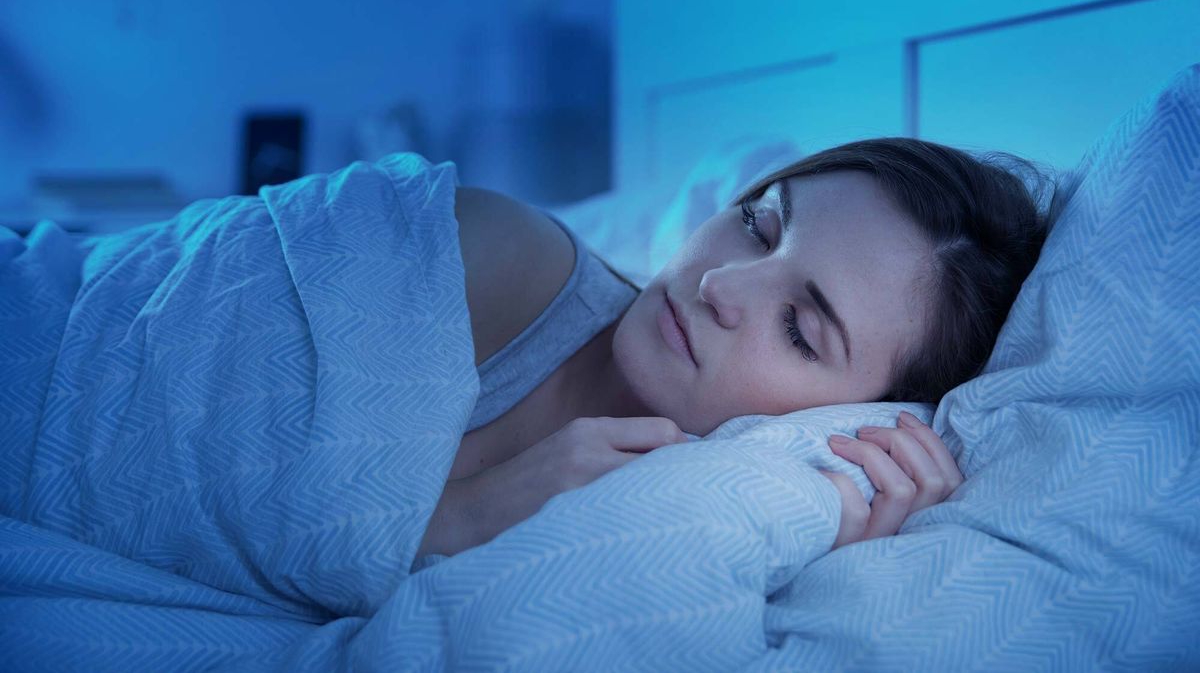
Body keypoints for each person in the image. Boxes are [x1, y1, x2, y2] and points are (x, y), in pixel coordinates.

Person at [418, 137, 1053, 560]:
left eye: (799, 330)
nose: (717, 285)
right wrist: (472, 513)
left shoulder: (732, 522)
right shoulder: (473, 251)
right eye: (757, 226)